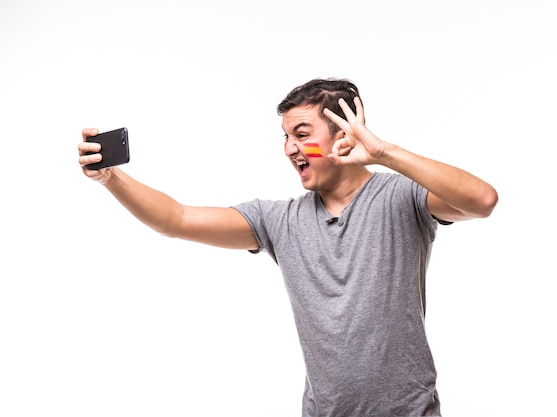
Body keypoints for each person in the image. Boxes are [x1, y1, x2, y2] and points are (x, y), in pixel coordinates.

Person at [78, 78, 498, 416]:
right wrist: (111, 179)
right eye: (285, 136)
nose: (291, 148)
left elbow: (482, 201)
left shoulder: (402, 197)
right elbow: (176, 219)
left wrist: (384, 153)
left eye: (302, 133)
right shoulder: (279, 220)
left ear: (343, 136)